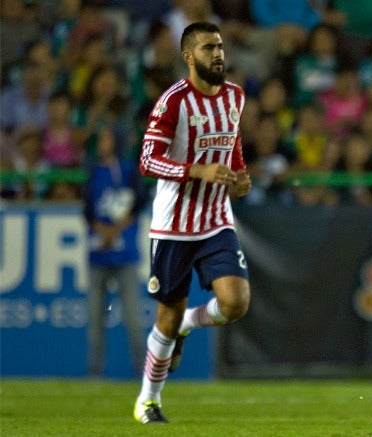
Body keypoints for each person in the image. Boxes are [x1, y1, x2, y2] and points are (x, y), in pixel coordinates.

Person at [133, 21, 252, 424]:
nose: (217, 54)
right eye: (207, 48)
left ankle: (188, 323)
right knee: (165, 320)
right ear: (188, 57)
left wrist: (239, 176)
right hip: (173, 225)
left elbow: (231, 145)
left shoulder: (235, 96)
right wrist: (197, 171)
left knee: (236, 302)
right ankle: (148, 400)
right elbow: (148, 159)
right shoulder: (173, 102)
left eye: (219, 46)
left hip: (217, 219)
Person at [83, 127, 147, 378]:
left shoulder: (131, 172)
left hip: (124, 255)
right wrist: (104, 230)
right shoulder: (93, 170)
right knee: (95, 321)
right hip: (98, 253)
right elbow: (87, 210)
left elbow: (139, 203)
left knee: (132, 318)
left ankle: (143, 372)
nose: (103, 141)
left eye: (108, 136)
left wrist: (115, 229)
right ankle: (95, 372)